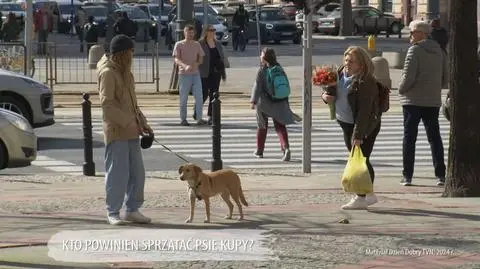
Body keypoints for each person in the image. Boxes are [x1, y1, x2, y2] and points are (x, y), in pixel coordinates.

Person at [96, 34, 153, 225]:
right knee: (117, 173)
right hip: (117, 131)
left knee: (137, 172)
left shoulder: (126, 73)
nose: (132, 55)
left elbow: (133, 104)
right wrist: (128, 122)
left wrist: (143, 122)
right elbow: (107, 105)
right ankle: (113, 211)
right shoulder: (108, 73)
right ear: (122, 53)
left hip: (132, 129)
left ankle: (132, 209)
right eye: (130, 51)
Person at [321, 46, 382, 210]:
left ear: (361, 64)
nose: (347, 63)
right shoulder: (340, 72)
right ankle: (369, 195)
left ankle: (361, 197)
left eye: (352, 61)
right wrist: (325, 97)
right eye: (346, 59)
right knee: (361, 159)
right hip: (345, 122)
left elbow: (364, 112)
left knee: (360, 161)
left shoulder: (365, 81)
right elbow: (332, 91)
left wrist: (358, 135)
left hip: (363, 125)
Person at [398, 20, 448, 187]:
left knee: (409, 138)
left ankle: (407, 175)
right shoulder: (440, 51)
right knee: (434, 138)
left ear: (422, 34)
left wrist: (401, 90)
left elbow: (408, 78)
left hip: (412, 101)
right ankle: (440, 175)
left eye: (412, 32)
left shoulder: (415, 51)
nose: (410, 36)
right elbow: (446, 78)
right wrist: (433, 88)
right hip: (433, 100)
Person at [250, 47, 301, 161]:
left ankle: (259, 150)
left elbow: (257, 87)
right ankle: (286, 148)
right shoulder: (279, 68)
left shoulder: (262, 70)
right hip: (280, 102)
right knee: (280, 126)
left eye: (261, 55)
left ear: (264, 58)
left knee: (262, 125)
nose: (260, 57)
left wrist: (253, 101)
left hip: (264, 104)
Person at [173, 24, 206, 126]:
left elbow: (201, 58)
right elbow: (176, 59)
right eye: (188, 32)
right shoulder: (179, 44)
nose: (190, 35)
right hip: (184, 74)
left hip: (195, 74)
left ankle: (199, 118)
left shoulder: (197, 44)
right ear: (184, 33)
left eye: (192, 33)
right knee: (183, 98)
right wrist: (184, 65)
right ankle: (183, 119)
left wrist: (195, 64)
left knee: (199, 97)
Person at [197, 24, 229, 125]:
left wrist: (223, 71)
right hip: (204, 72)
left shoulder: (218, 43)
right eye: (210, 30)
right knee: (204, 94)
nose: (213, 32)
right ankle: (196, 112)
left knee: (214, 94)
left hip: (216, 72)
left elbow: (221, 57)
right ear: (206, 32)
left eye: (214, 30)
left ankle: (211, 116)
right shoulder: (200, 43)